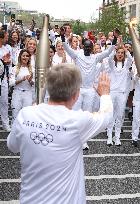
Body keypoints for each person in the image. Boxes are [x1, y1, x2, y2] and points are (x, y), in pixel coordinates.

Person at [7, 64, 113, 204]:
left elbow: (12, 146)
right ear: (76, 94)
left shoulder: (25, 114)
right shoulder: (77, 121)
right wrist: (105, 94)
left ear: (49, 88)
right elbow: (106, 116)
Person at [11, 49, 34, 122]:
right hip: (17, 92)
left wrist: (30, 80)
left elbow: (34, 84)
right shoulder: (15, 68)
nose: (25, 57)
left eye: (27, 56)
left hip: (28, 93)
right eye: (23, 55)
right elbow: (11, 83)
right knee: (15, 115)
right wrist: (22, 79)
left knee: (27, 116)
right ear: (20, 57)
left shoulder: (32, 69)